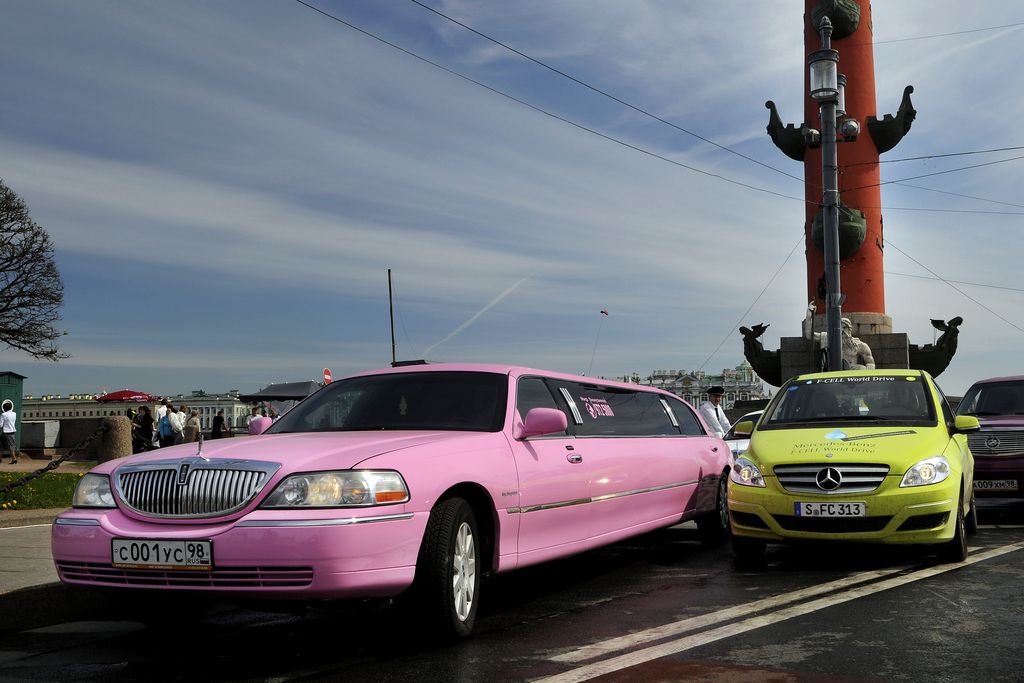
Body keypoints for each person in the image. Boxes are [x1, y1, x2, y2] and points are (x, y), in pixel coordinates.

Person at [1, 399, 17, 464]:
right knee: (11, 445)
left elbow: (0, 425)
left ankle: (14, 459)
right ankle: (14, 459)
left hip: (6, 432)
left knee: (2, 445)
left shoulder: (3, 415)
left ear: (4, 408)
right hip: (12, 432)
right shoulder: (14, 414)